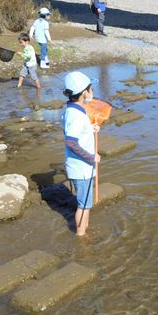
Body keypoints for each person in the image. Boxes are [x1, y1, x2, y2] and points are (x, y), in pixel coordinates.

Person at [62, 71, 101, 236]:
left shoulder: (74, 109)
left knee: (86, 203)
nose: (92, 91)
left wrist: (90, 129)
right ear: (85, 92)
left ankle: (84, 229)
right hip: (82, 169)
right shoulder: (76, 115)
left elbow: (76, 132)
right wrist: (92, 157)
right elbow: (71, 142)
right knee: (84, 205)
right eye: (90, 88)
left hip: (82, 167)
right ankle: (81, 236)